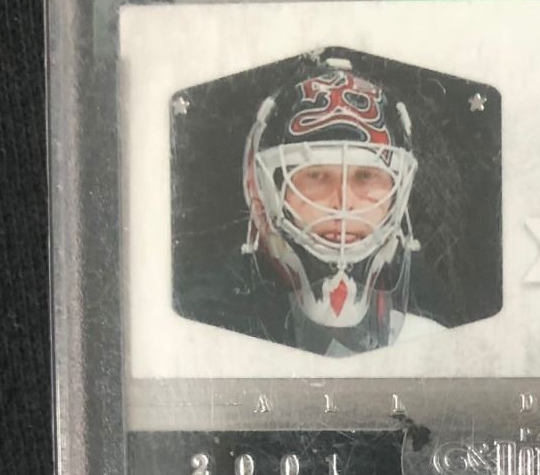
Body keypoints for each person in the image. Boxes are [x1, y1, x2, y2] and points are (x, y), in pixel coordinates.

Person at [176, 57, 428, 356]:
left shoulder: (425, 338)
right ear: (266, 191)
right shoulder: (203, 330)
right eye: (316, 176)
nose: (343, 203)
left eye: (366, 176)